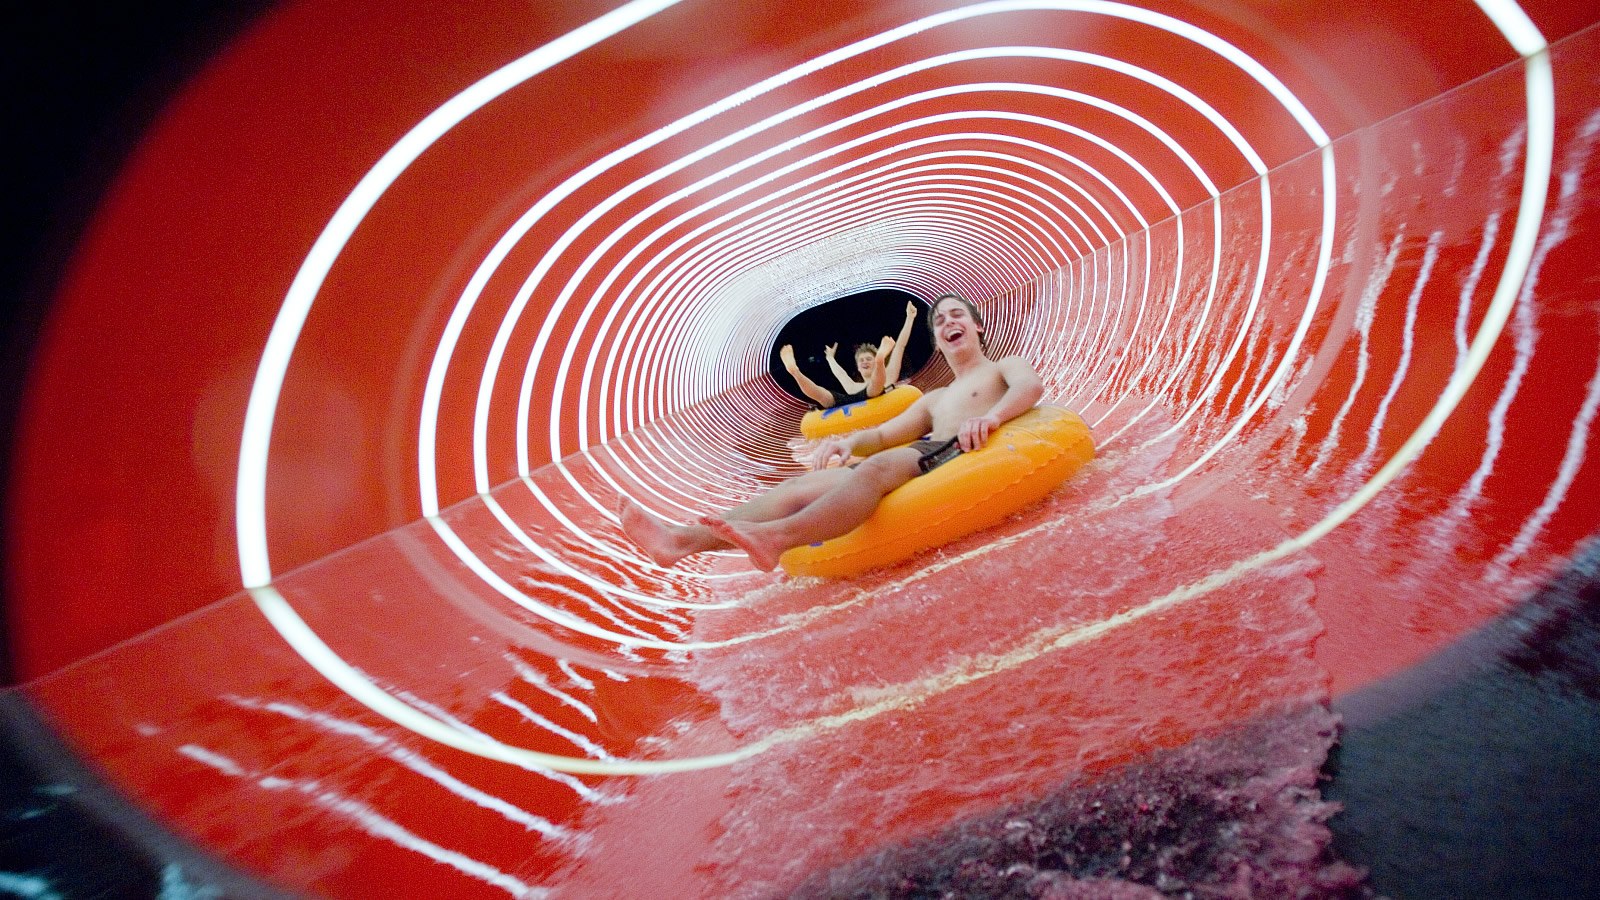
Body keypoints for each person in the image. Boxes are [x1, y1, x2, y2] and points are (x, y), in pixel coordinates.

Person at [620, 292, 1044, 572]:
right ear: (936, 341)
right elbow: (880, 435)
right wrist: (845, 441)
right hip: (926, 450)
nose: (949, 323)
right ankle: (681, 541)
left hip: (954, 450)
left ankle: (779, 538)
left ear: (978, 327)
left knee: (876, 468)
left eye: (958, 316)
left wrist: (993, 417)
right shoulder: (935, 398)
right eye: (940, 322)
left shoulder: (1002, 368)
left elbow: (1031, 387)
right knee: (804, 485)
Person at [779, 300, 920, 408]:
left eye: (868, 359)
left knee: (875, 387)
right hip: (851, 400)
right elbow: (840, 373)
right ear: (858, 368)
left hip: (877, 390)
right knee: (823, 395)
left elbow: (900, 346)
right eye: (862, 360)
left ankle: (880, 359)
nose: (864, 361)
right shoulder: (852, 386)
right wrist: (830, 358)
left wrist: (910, 318)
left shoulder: (889, 375)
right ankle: (795, 372)